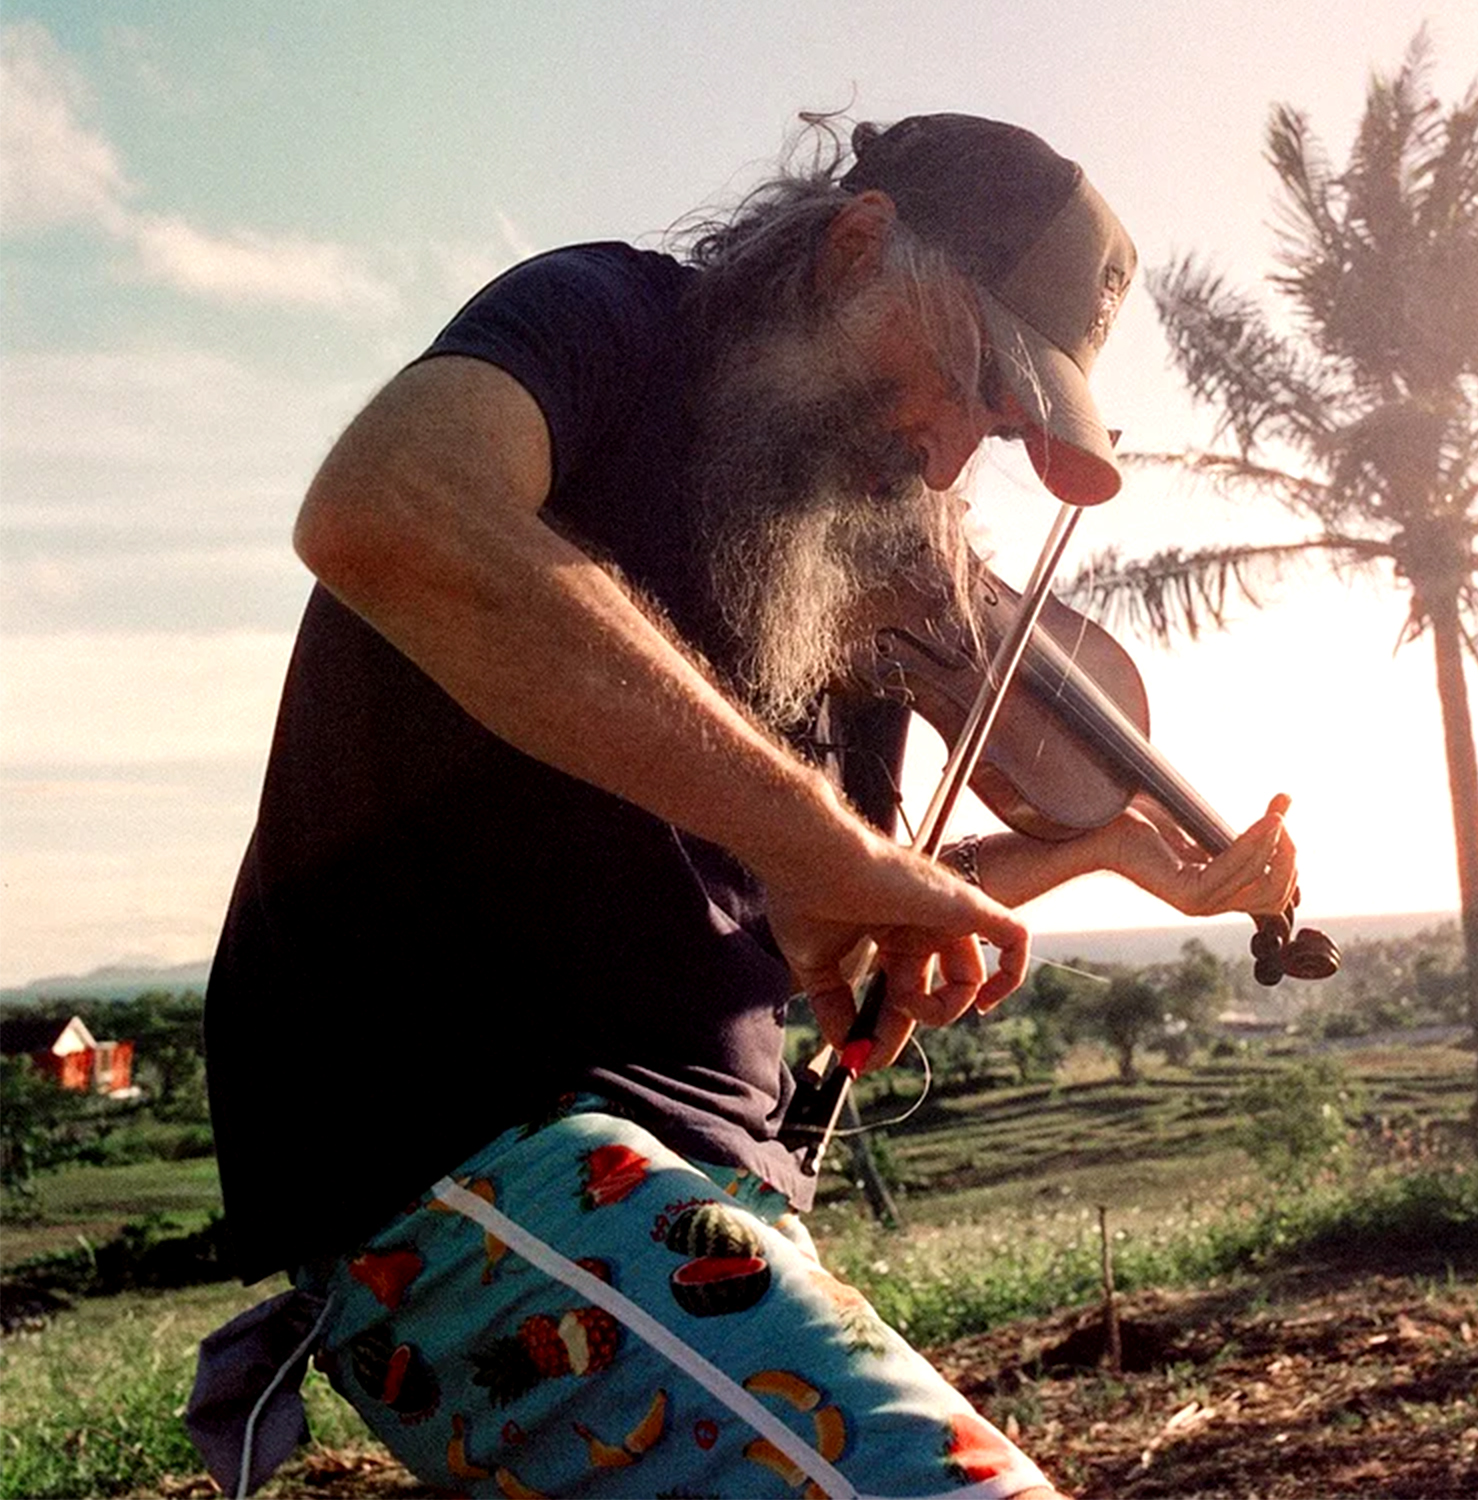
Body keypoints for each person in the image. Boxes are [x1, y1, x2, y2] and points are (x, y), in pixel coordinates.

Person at [188, 113, 1297, 1500]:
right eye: (965, 377)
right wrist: (821, 843)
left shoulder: (846, 544)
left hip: (719, 1192)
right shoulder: (605, 323)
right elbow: (387, 512)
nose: (950, 463)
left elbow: (818, 901)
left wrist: (1109, 852)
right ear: (854, 247)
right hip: (482, 1148)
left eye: (997, 427)